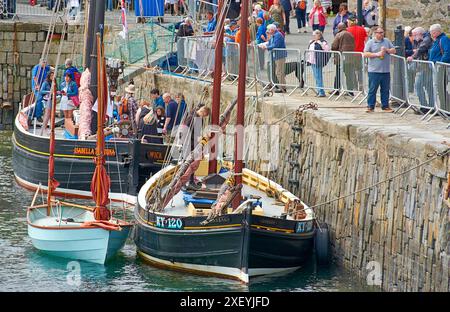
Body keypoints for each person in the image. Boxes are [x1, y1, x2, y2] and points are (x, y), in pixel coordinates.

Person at [363, 27, 396, 112]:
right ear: (375, 33)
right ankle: (370, 106)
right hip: (374, 70)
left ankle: (385, 106)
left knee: (385, 89)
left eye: (382, 32)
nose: (381, 34)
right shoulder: (370, 42)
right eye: (379, 32)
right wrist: (377, 54)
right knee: (372, 89)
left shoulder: (387, 41)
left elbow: (394, 50)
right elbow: (365, 53)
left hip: (385, 70)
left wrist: (387, 50)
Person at [183, 103, 211, 188]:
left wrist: (200, 137)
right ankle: (185, 182)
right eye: (204, 115)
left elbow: (198, 132)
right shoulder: (191, 117)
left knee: (193, 162)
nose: (203, 117)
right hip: (188, 142)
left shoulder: (200, 119)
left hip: (194, 142)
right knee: (188, 162)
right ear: (202, 111)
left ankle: (191, 180)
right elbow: (185, 131)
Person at [407, 27, 434, 110]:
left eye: (415, 35)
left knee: (419, 86)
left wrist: (412, 56)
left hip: (426, 67)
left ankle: (426, 106)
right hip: (423, 67)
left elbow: (421, 49)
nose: (413, 37)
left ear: (420, 34)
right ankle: (428, 106)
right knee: (427, 87)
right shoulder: (418, 40)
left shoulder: (426, 39)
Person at [260, 23, 287, 93]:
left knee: (279, 72)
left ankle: (282, 88)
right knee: (278, 72)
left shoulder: (278, 35)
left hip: (280, 55)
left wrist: (266, 47)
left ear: (272, 30)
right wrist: (263, 45)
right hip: (276, 55)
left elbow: (275, 45)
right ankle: (281, 86)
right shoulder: (274, 35)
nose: (268, 31)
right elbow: (270, 43)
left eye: (269, 30)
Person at [331, 23, 355, 94]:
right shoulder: (350, 34)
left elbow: (334, 46)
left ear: (339, 28)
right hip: (350, 58)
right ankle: (350, 91)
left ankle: (336, 90)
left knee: (338, 74)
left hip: (341, 57)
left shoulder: (339, 35)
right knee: (349, 75)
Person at [347, 15, 367, 91]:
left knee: (352, 70)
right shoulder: (362, 29)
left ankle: (355, 85)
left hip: (351, 53)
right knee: (360, 70)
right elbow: (365, 40)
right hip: (360, 53)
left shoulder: (348, 30)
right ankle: (361, 84)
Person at [307, 29, 330, 97]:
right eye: (313, 35)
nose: (313, 36)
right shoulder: (313, 42)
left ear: (319, 35)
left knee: (318, 76)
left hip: (318, 61)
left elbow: (327, 50)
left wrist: (320, 44)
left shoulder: (323, 42)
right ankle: (319, 90)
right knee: (316, 76)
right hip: (312, 61)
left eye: (315, 35)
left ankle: (321, 92)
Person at [39, 71, 54, 136]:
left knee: (51, 115)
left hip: (53, 99)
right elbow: (41, 91)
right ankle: (44, 128)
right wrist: (49, 91)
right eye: (51, 75)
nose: (52, 77)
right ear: (49, 76)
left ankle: (51, 129)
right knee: (47, 114)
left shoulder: (54, 82)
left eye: (53, 75)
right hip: (47, 100)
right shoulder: (45, 83)